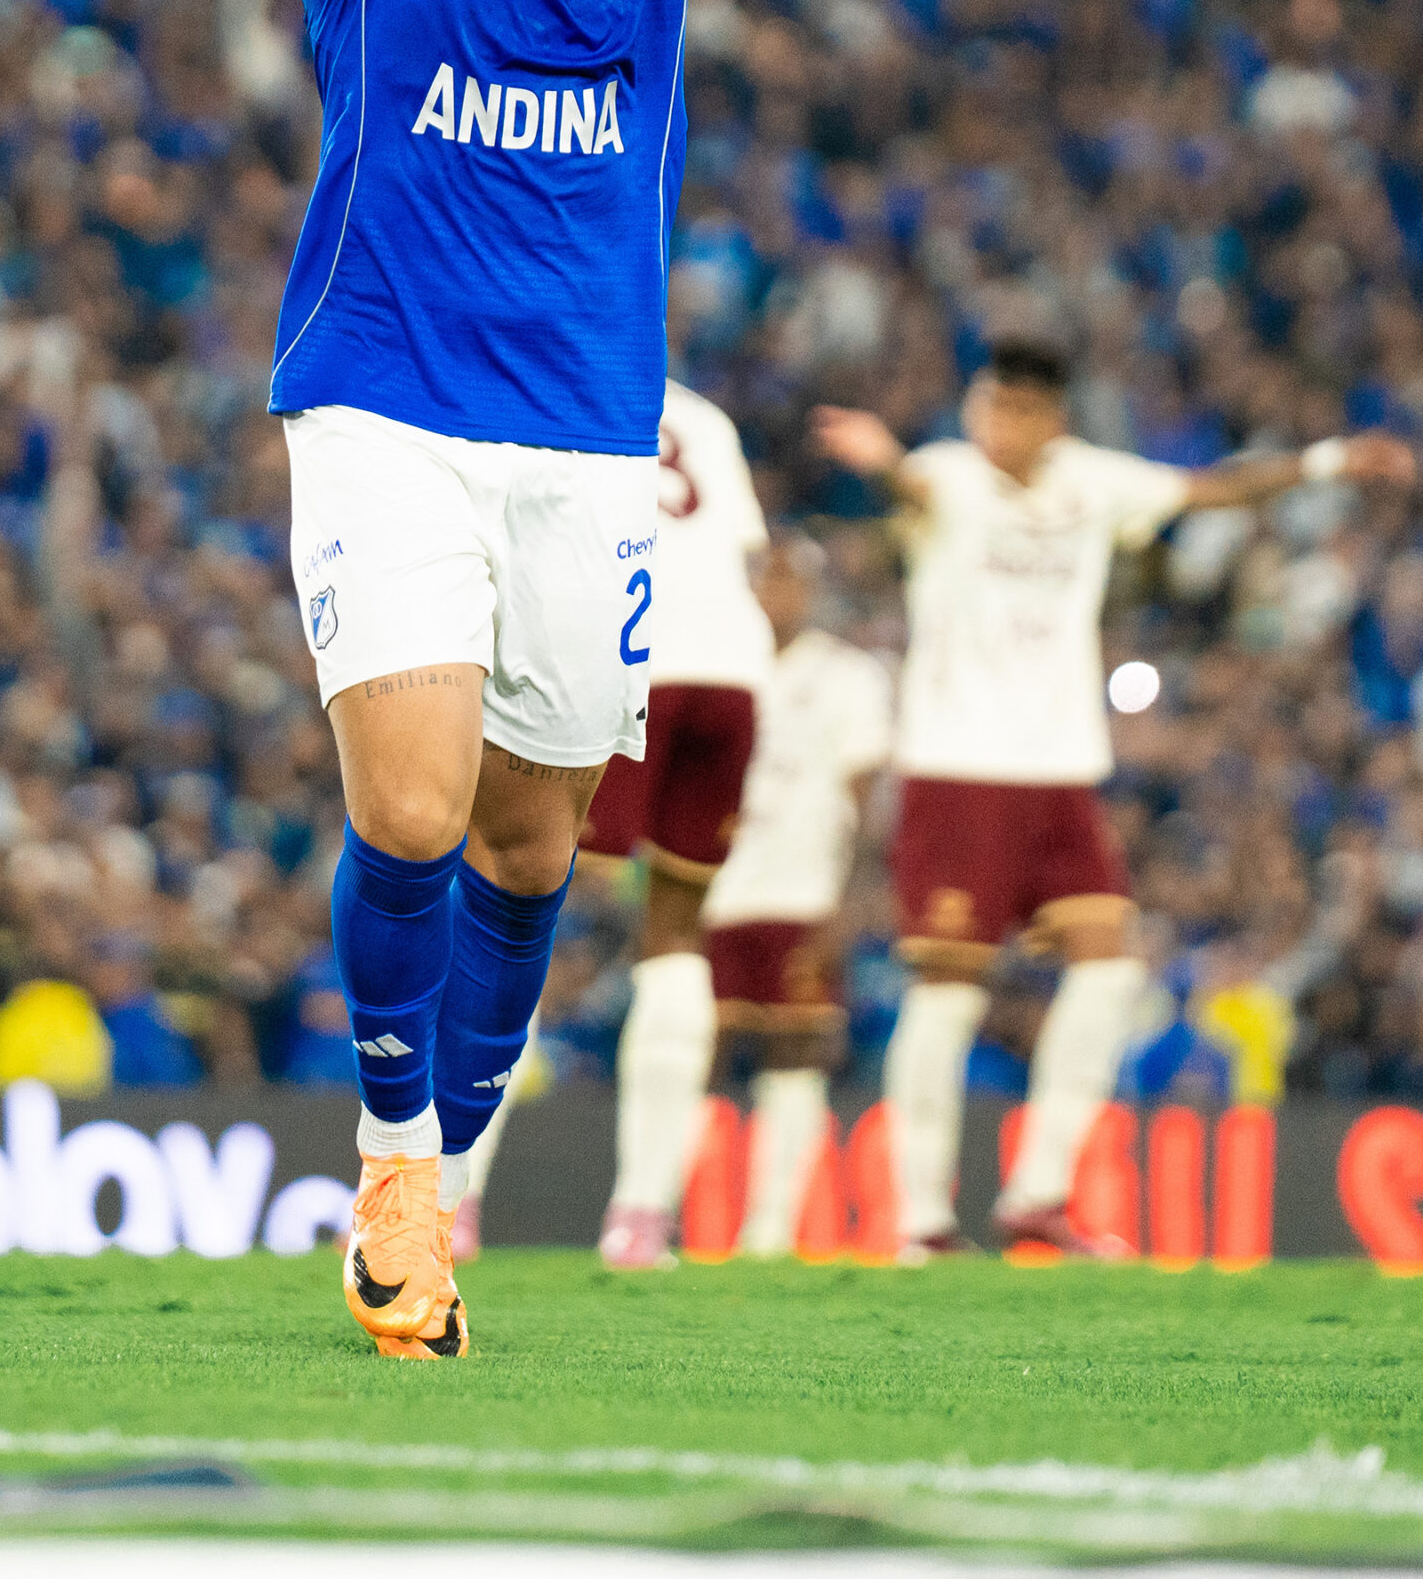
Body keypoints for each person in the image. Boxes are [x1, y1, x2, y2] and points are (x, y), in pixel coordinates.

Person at [274, 0, 967, 1354]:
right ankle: (395, 1170)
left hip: (589, 446)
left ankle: (445, 1153)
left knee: (530, 852)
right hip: (386, 410)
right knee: (411, 811)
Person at [814, 337, 1416, 1259]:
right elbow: (914, 489)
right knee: (948, 992)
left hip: (1060, 772)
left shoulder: (1092, 482)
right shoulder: (950, 475)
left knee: (1109, 969)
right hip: (955, 767)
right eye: (987, 405)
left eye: (1016, 409)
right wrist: (884, 459)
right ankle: (922, 1218)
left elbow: (1211, 489)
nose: (997, 425)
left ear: (1052, 419)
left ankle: (1039, 1194)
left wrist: (1330, 459)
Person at [455, 375, 775, 1269]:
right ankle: (641, 1219)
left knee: (509, 909)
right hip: (733, 675)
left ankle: (449, 1198)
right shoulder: (704, 414)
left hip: (624, 657)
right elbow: (748, 553)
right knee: (675, 935)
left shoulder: (542, 381)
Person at [701, 534, 892, 1256]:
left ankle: (772, 1228)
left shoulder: (848, 675)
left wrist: (849, 900)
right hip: (713, 893)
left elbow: (869, 800)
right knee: (696, 1054)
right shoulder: (714, 669)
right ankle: (659, 1213)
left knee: (796, 1056)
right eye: (765, 578)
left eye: (789, 580)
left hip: (803, 893)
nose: (775, 593)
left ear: (812, 590)